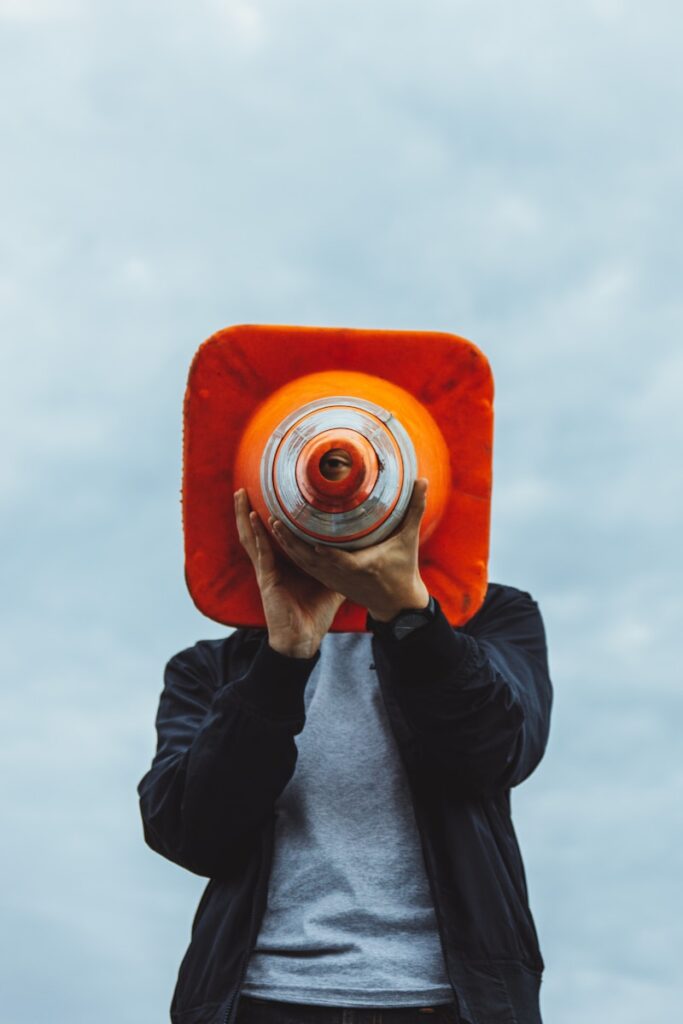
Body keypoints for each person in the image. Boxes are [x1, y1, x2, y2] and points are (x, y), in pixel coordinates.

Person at [137, 479, 553, 1024]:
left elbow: (499, 752)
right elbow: (189, 832)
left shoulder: (491, 617)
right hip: (263, 999)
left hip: (451, 1003)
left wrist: (411, 617)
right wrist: (282, 659)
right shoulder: (210, 669)